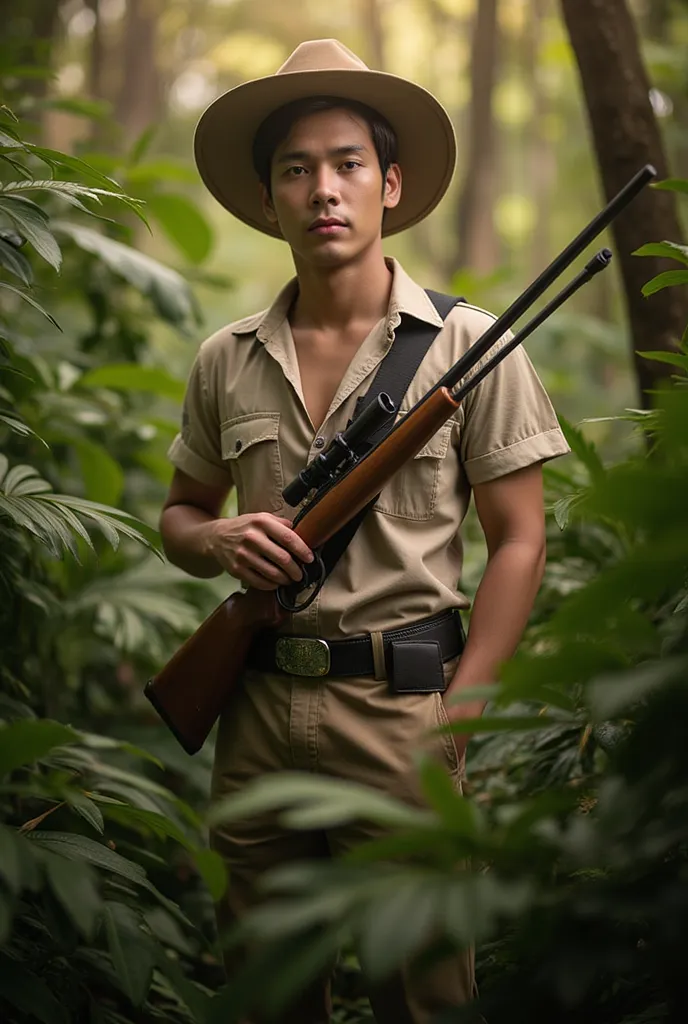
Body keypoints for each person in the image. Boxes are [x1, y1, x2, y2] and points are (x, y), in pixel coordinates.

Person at [159, 37, 570, 1024]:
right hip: (255, 716)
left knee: (424, 996)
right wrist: (219, 542)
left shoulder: (470, 348)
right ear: (269, 200)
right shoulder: (226, 358)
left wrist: (461, 713)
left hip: (402, 714)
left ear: (391, 184)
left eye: (346, 164)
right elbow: (180, 515)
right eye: (295, 170)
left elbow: (520, 538)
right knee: (266, 994)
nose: (321, 190)